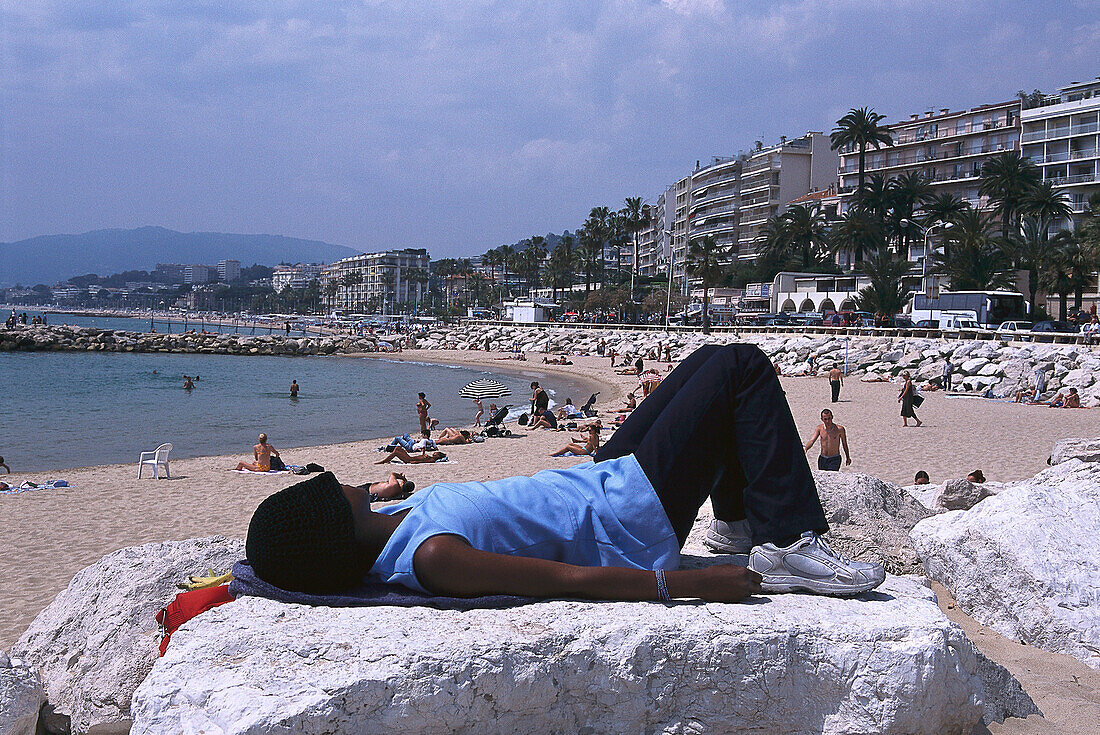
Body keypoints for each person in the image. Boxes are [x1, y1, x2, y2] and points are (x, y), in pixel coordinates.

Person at [245, 344, 885, 601]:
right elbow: (563, 580)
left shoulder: (387, 526)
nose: (351, 484)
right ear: (337, 524)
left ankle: (740, 522)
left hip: (598, 481)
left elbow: (263, 568)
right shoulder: (431, 556)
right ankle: (786, 542)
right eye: (341, 495)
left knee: (705, 364)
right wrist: (690, 585)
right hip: (626, 515)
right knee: (740, 368)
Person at [376, 447, 447, 464]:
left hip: (409, 460)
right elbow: (422, 458)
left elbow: (423, 461)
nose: (435, 453)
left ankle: (383, 461)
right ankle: (388, 459)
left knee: (396, 453)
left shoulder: (432, 460)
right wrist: (423, 452)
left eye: (436, 453)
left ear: (438, 456)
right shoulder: (431, 457)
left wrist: (415, 462)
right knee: (398, 448)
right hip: (410, 457)